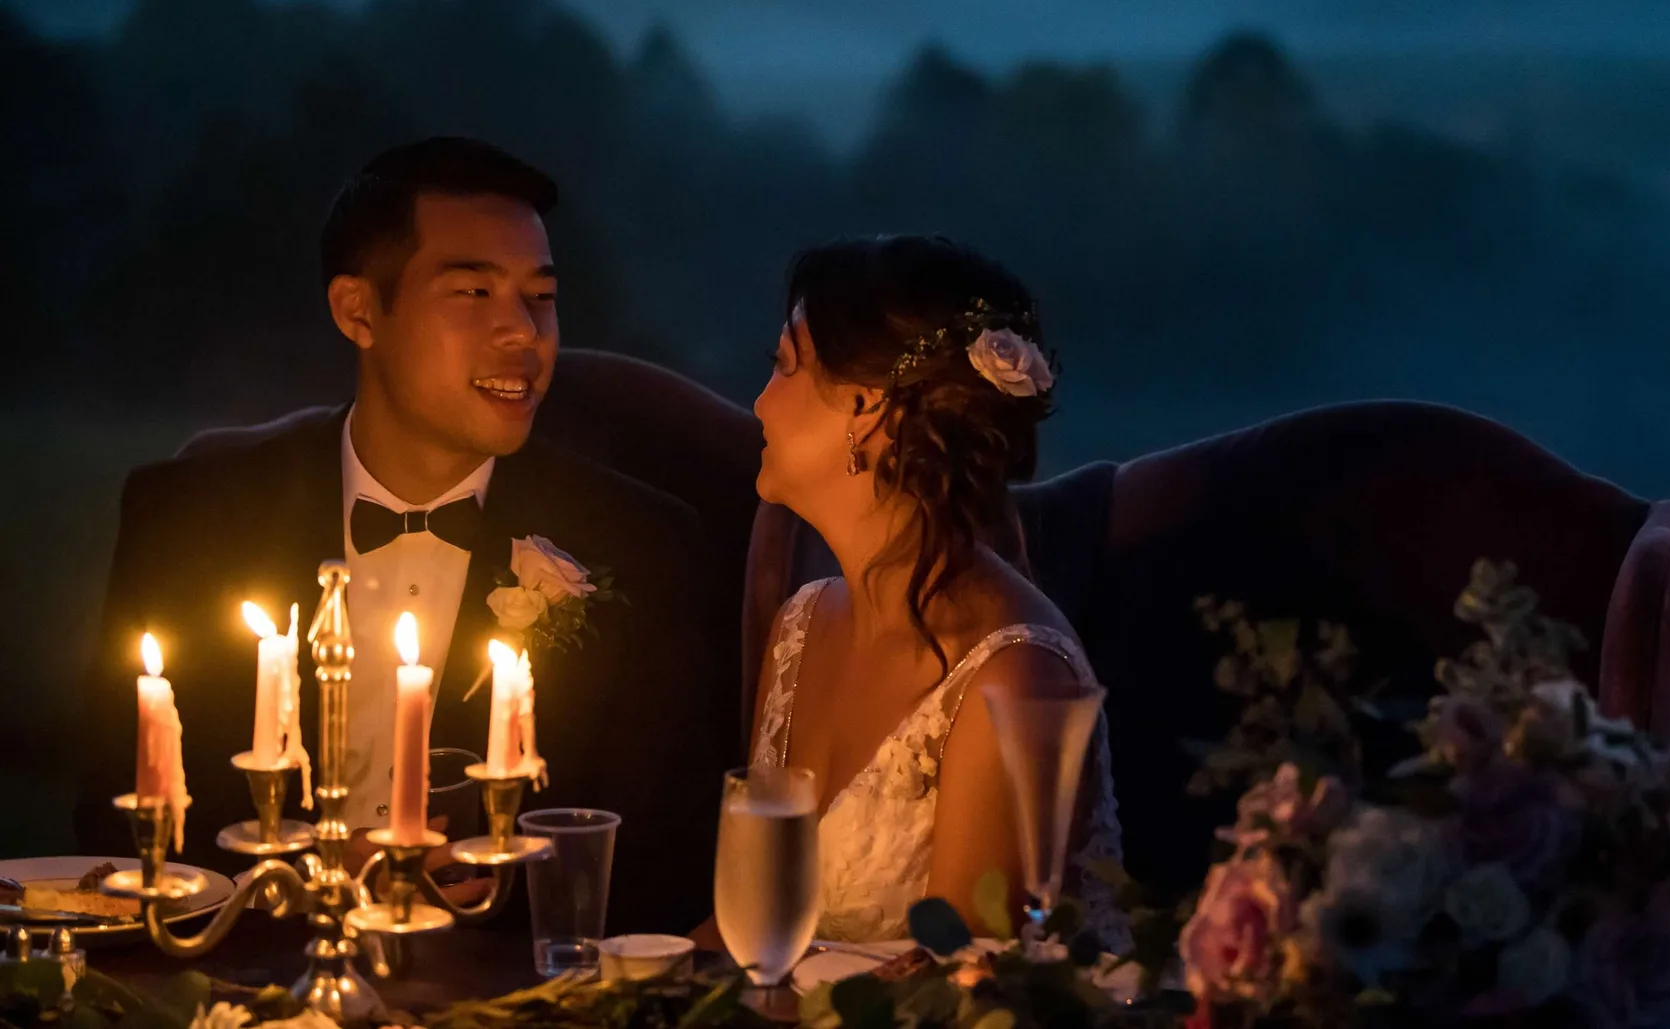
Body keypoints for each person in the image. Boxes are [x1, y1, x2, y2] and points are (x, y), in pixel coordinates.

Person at [74, 137, 739, 934]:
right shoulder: (191, 517)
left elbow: (668, 852)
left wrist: (502, 870)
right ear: (358, 310)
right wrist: (303, 865)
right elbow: (111, 813)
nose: (522, 334)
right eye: (472, 293)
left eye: (541, 297)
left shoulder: (641, 541)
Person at [747, 235, 1125, 944]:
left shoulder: (1011, 677)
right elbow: (754, 925)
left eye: (784, 367)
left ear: (865, 406)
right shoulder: (798, 629)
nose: (761, 402)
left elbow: (963, 989)